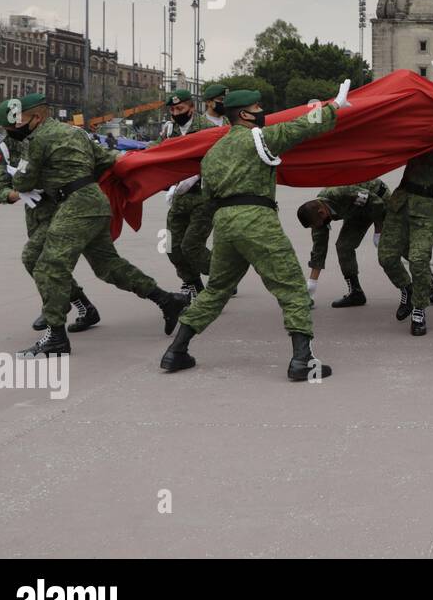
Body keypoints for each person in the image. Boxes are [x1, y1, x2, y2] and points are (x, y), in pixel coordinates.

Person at [159, 84, 348, 379]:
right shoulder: (259, 138)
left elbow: (207, 196)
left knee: (216, 291)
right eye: (258, 109)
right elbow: (299, 128)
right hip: (256, 220)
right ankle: (302, 360)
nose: (263, 113)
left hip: (224, 224)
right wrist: (334, 107)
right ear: (245, 114)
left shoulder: (213, 152)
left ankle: (175, 352)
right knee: (291, 288)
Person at [0, 94, 188, 357]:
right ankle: (167, 300)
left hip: (76, 205)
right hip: (95, 202)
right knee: (108, 266)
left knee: (50, 264)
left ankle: (56, 336)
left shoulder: (38, 139)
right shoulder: (76, 133)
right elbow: (107, 160)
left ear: (37, 117)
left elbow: (22, 183)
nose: (15, 129)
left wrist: (23, 175)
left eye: (18, 123)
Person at [0, 99, 102, 333]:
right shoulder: (2, 150)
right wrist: (18, 194)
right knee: (46, 264)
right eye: (9, 126)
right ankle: (82, 306)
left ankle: (55, 311)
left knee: (36, 259)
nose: (14, 129)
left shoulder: (46, 136)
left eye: (17, 123)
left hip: (66, 207)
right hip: (36, 214)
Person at [378, 148, 433, 336]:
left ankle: (418, 308)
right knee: (386, 257)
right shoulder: (421, 127)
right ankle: (407, 289)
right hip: (401, 201)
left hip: (428, 207)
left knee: (418, 260)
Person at [155, 89, 217, 298]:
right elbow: (156, 153)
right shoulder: (169, 130)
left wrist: (193, 177)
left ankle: (223, 277)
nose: (176, 113)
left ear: (192, 107)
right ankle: (193, 284)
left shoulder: (207, 128)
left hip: (203, 197)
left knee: (191, 246)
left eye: (180, 108)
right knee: (172, 247)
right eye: (172, 109)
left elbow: (216, 160)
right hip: (179, 198)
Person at [297, 179, 389, 308]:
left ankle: (425, 287)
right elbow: (319, 249)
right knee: (344, 246)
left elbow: (377, 203)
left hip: (379, 199)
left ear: (321, 213)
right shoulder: (318, 217)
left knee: (394, 246)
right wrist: (311, 285)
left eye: (316, 225)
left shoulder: (340, 193)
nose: (317, 228)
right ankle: (356, 293)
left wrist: (378, 230)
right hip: (356, 210)